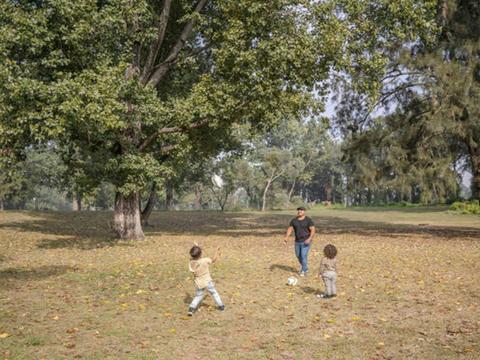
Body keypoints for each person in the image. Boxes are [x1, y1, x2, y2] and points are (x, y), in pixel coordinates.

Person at [188, 244, 225, 316]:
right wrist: (216, 251)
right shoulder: (205, 260)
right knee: (214, 293)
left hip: (199, 283)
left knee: (198, 296)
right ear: (201, 254)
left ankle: (191, 308)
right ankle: (221, 306)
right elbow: (213, 260)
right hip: (207, 282)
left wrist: (197, 247)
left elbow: (195, 256)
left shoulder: (191, 263)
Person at [284, 206, 315, 276]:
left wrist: (309, 238)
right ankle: (305, 267)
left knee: (303, 255)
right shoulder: (294, 220)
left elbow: (313, 230)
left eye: (301, 210)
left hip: (306, 241)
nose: (300, 211)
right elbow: (290, 229)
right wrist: (286, 237)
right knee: (298, 255)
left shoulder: (308, 220)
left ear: (304, 211)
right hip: (297, 241)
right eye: (299, 210)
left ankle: (303, 271)